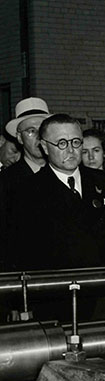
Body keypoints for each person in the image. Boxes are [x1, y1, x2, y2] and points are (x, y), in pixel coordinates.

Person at [16, 114, 105, 321]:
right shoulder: (27, 191)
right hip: (54, 300)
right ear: (45, 147)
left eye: (75, 142)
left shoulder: (101, 181)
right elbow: (19, 253)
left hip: (102, 297)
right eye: (62, 143)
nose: (71, 150)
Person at [0, 97, 52, 271]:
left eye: (42, 130)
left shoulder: (65, 175)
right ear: (19, 138)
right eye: (30, 131)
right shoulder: (6, 182)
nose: (38, 137)